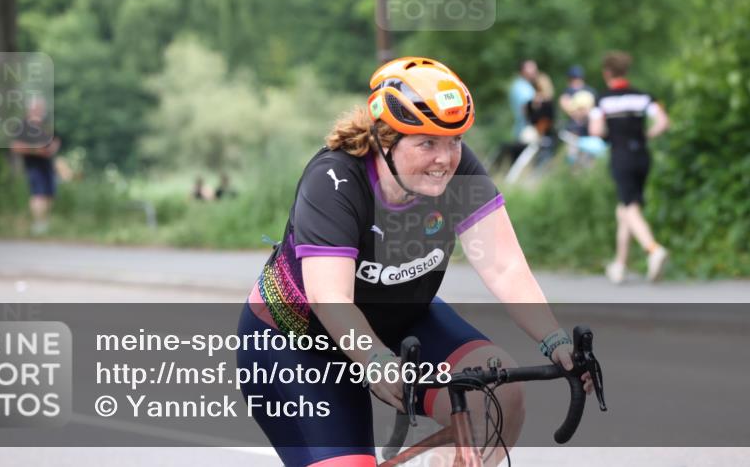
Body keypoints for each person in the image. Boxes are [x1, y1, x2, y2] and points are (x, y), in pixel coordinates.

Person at [238, 57, 593, 467]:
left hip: (401, 323)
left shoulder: (459, 172)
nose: (445, 158)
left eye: (455, 140)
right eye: (427, 143)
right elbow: (329, 297)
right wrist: (374, 359)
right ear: (385, 139)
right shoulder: (335, 180)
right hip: (297, 342)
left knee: (500, 397)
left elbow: (504, 267)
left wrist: (555, 340)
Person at [588, 51, 670, 283]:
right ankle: (620, 266)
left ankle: (653, 250)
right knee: (624, 209)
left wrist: (609, 134)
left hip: (621, 156)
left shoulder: (603, 99)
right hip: (642, 156)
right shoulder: (643, 96)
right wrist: (646, 135)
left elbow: (595, 130)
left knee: (629, 208)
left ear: (607, 73)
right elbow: (663, 122)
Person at [9, 95, 60, 235]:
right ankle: (38, 224)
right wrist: (37, 150)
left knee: (49, 194)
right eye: (37, 107)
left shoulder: (46, 124)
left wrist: (52, 149)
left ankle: (44, 223)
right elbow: (15, 146)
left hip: (48, 164)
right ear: (30, 109)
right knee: (38, 194)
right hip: (33, 165)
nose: (40, 110)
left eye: (41, 108)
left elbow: (56, 139)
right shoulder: (23, 126)